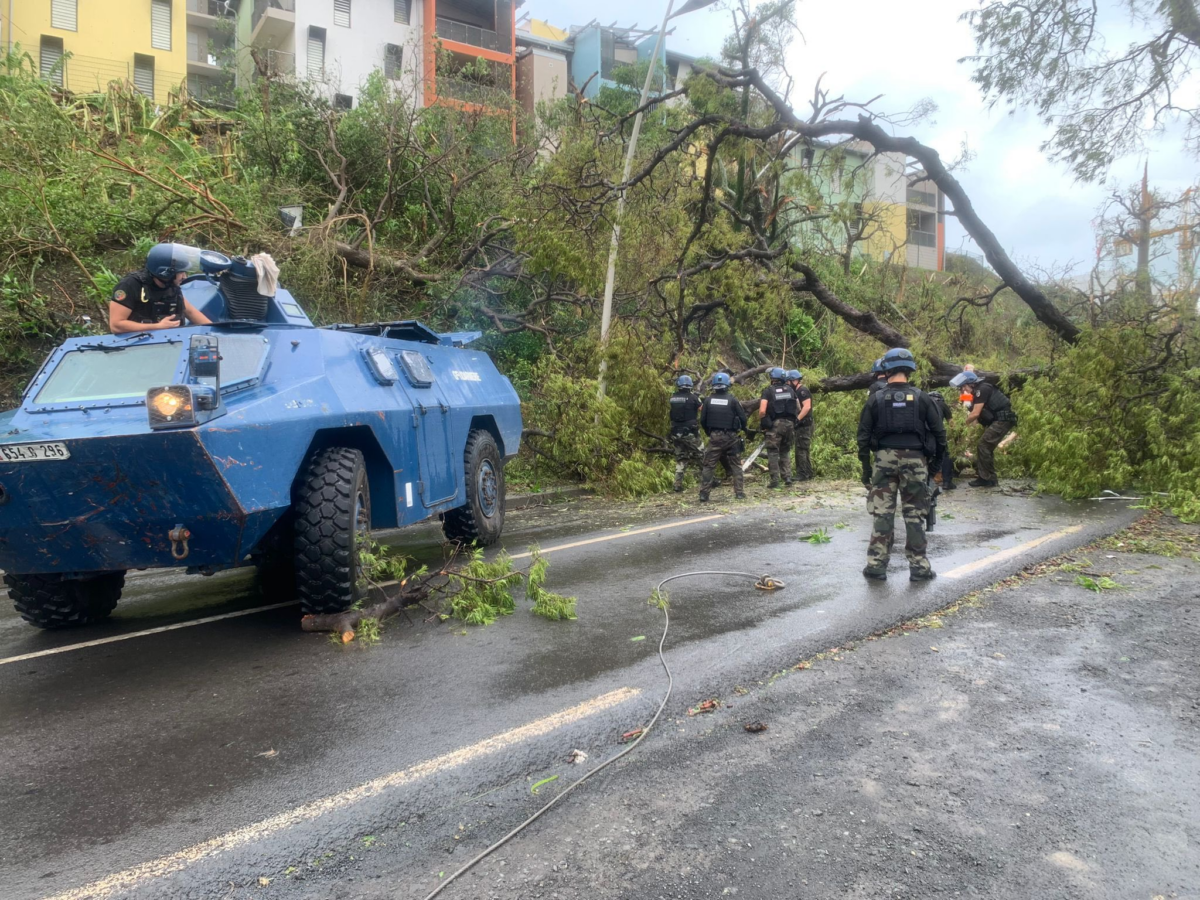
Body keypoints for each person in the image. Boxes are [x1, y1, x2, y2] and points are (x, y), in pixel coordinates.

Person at [857, 347, 947, 582]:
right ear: (910, 370)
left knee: (882, 514)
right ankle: (920, 568)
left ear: (886, 369)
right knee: (915, 515)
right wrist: (934, 468)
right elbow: (940, 435)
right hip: (916, 461)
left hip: (883, 460)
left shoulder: (875, 398)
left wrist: (866, 469)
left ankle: (876, 566)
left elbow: (863, 437)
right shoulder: (922, 398)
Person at [109, 243, 212, 334]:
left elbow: (190, 312)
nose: (184, 277)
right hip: (136, 346)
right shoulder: (130, 285)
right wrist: (157, 327)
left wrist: (213, 330)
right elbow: (116, 325)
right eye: (181, 272)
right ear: (166, 273)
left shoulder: (171, 286)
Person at [950, 370, 1017, 488]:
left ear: (971, 383)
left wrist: (961, 425)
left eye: (964, 387)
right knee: (986, 447)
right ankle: (990, 478)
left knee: (983, 445)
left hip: (1002, 420)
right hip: (998, 420)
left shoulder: (982, 389)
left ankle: (986, 478)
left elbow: (975, 414)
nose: (963, 390)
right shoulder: (977, 392)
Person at [699, 372, 748, 502]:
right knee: (736, 465)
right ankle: (739, 493)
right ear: (727, 385)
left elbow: (703, 420)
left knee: (709, 465)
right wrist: (741, 429)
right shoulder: (732, 400)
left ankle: (704, 494)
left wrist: (709, 433)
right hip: (731, 437)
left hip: (714, 437)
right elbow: (743, 418)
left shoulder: (708, 400)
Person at [758, 367, 797, 489]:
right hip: (789, 425)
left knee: (773, 452)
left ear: (773, 379)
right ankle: (788, 477)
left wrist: (764, 423)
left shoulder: (768, 391)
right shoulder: (791, 390)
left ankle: (775, 480)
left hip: (775, 425)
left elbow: (762, 410)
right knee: (785, 451)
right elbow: (798, 408)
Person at [668, 375, 703, 493]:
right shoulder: (693, 398)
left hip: (675, 433)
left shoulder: (673, 398)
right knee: (701, 454)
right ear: (690, 386)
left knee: (681, 458)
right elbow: (702, 409)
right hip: (690, 433)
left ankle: (677, 484)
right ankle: (709, 479)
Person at [788, 369, 814, 481]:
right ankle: (808, 472)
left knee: (801, 449)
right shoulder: (795, 391)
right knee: (803, 448)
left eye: (788, 381)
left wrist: (797, 419)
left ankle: (802, 474)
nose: (787, 384)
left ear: (795, 380)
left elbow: (807, 406)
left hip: (804, 424)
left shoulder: (802, 391)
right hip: (802, 424)